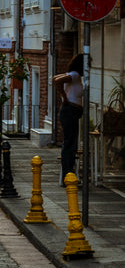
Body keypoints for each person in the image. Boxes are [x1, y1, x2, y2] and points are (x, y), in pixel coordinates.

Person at [53, 53, 84, 185]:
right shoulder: (75, 75)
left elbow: (55, 77)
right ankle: (68, 174)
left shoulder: (73, 75)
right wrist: (64, 97)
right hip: (70, 110)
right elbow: (56, 80)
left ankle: (68, 173)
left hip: (71, 111)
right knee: (70, 144)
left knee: (70, 143)